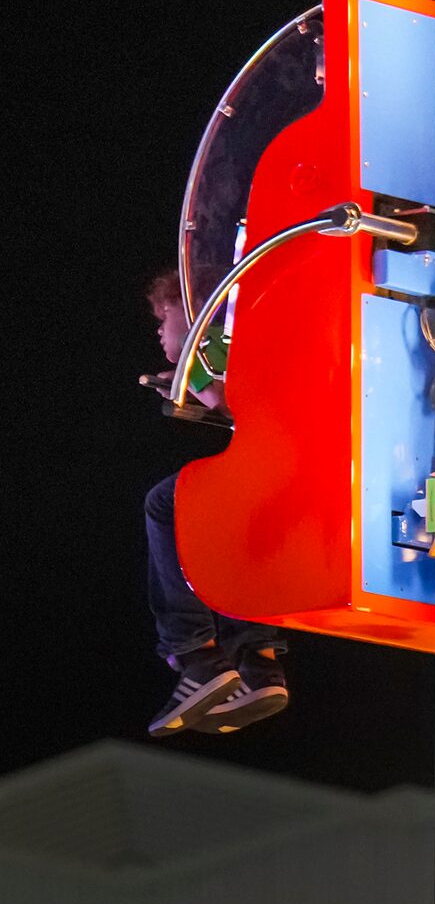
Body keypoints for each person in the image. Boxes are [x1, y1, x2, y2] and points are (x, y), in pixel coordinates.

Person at [143, 270, 291, 736]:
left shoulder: (205, 341)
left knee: (165, 503)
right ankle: (259, 661)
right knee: (233, 528)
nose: (158, 331)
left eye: (162, 318)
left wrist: (193, 373)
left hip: (273, 463)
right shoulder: (238, 343)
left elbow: (229, 397)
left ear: (184, 311)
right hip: (288, 470)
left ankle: (196, 653)